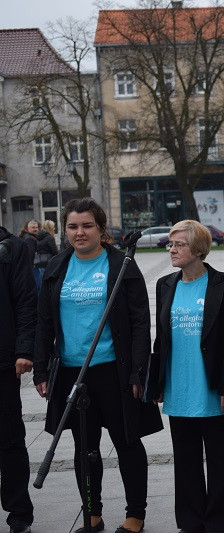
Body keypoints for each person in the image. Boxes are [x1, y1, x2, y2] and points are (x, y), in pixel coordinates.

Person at [33, 198, 162, 533]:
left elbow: (137, 323)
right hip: (74, 374)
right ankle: (92, 513)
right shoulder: (57, 267)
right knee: (84, 447)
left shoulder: (121, 266)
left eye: (87, 225)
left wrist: (138, 370)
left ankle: (135, 515)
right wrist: (41, 370)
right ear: (65, 230)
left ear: (101, 229)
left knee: (128, 442)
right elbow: (45, 324)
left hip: (114, 372)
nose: (80, 232)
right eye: (73, 226)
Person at [149, 220, 224, 533]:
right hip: (179, 387)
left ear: (199, 249)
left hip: (214, 389)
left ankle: (217, 522)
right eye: (171, 244)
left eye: (179, 244)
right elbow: (161, 339)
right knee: (185, 460)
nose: (171, 249)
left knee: (219, 460)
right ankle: (190, 521)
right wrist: (158, 381)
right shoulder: (166, 284)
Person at [0, 226, 36, 533]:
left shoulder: (12, 247)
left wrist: (24, 349)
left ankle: (18, 511)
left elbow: (26, 300)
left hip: (2, 361)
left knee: (10, 438)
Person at [34, 219, 59, 291]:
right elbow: (54, 251)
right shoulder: (49, 238)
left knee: (42, 279)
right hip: (49, 261)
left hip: (40, 262)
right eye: (53, 227)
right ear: (50, 228)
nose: (54, 228)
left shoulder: (38, 237)